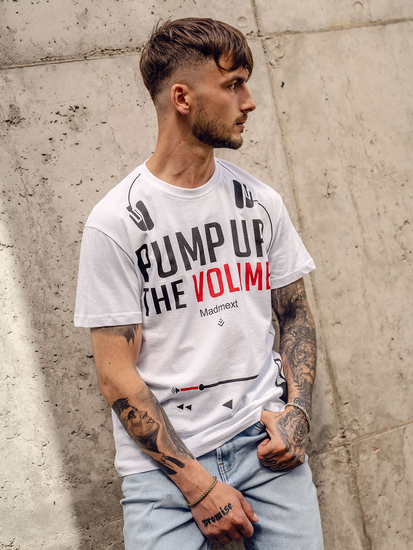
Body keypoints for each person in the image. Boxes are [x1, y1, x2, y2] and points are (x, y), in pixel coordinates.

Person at [74, 17, 324, 549]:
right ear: (182, 97)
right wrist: (197, 486)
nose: (249, 102)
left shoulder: (260, 203)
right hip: (163, 474)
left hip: (265, 448)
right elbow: (115, 375)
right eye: (233, 85)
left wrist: (298, 413)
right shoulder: (116, 222)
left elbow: (295, 314)